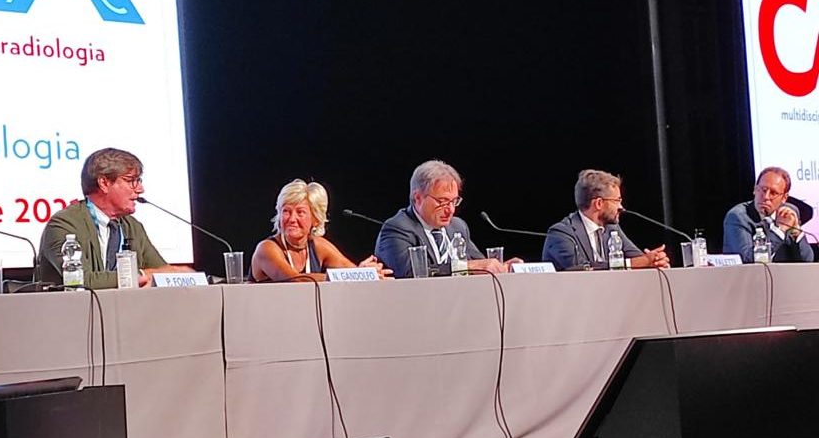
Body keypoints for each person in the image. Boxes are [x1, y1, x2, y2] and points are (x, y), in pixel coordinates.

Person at [36, 148, 191, 289]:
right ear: (104, 183)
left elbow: (161, 271)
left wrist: (176, 273)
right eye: (131, 181)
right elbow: (81, 280)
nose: (140, 189)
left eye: (139, 181)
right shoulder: (64, 225)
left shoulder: (132, 226)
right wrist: (141, 275)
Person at [375, 160, 513, 278]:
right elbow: (410, 273)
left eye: (454, 201)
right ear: (418, 198)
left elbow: (480, 264)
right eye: (442, 201)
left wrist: (502, 268)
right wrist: (465, 267)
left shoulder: (458, 226)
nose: (451, 210)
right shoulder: (397, 228)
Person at [250, 179, 391, 282]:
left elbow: (350, 271)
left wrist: (363, 273)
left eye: (300, 212)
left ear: (315, 219)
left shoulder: (318, 246)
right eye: (286, 211)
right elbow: (294, 280)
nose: (292, 219)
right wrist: (351, 275)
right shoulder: (267, 249)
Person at [542, 169, 669, 270]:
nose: (621, 207)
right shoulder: (561, 233)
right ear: (599, 203)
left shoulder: (612, 228)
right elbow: (581, 268)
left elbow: (639, 259)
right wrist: (632, 263)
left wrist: (655, 260)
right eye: (617, 201)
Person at [722, 166, 814, 263]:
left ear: (784, 197)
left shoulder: (788, 213)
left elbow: (807, 260)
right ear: (755, 189)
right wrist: (779, 230)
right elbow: (748, 259)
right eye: (763, 190)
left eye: (773, 193)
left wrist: (796, 232)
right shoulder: (738, 217)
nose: (766, 197)